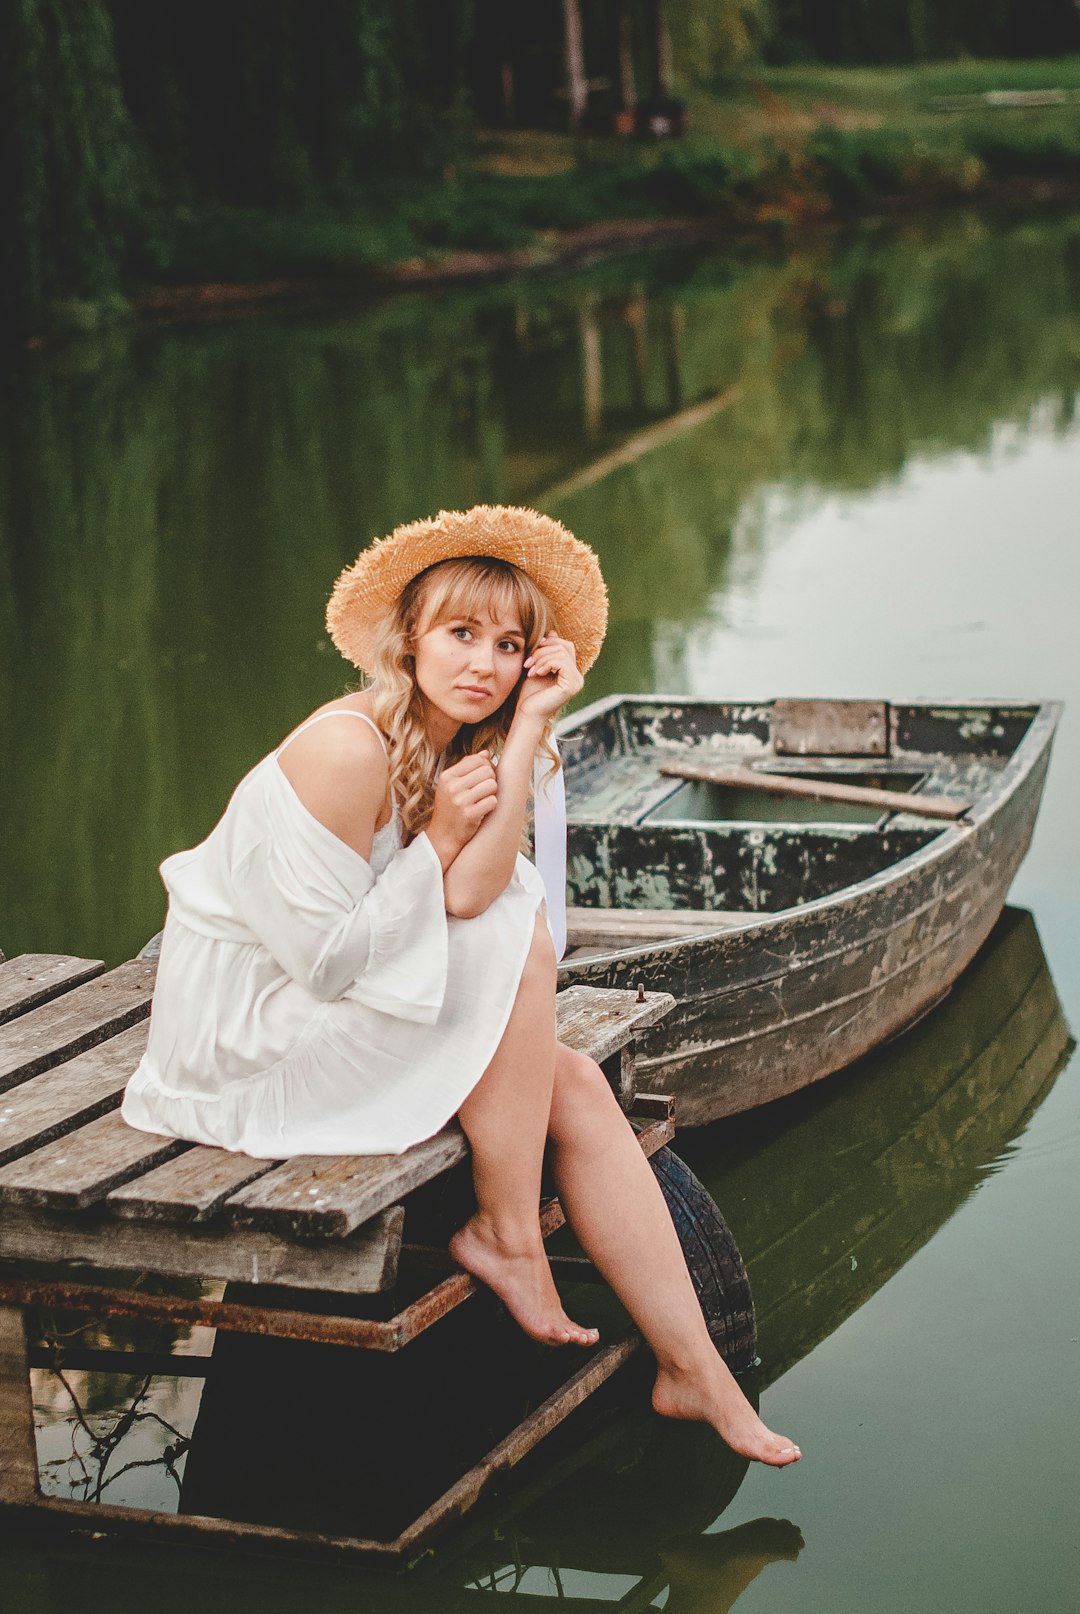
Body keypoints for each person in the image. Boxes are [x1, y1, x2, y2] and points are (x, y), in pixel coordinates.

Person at [122, 504, 800, 1468]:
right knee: (520, 949)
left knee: (568, 1079)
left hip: (332, 996)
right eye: (461, 634)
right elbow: (327, 960)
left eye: (508, 645)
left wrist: (526, 733)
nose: (484, 662)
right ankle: (507, 1231)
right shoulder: (346, 748)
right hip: (247, 1037)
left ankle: (697, 1375)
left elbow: (474, 890)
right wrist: (436, 836)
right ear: (410, 637)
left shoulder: (461, 740)